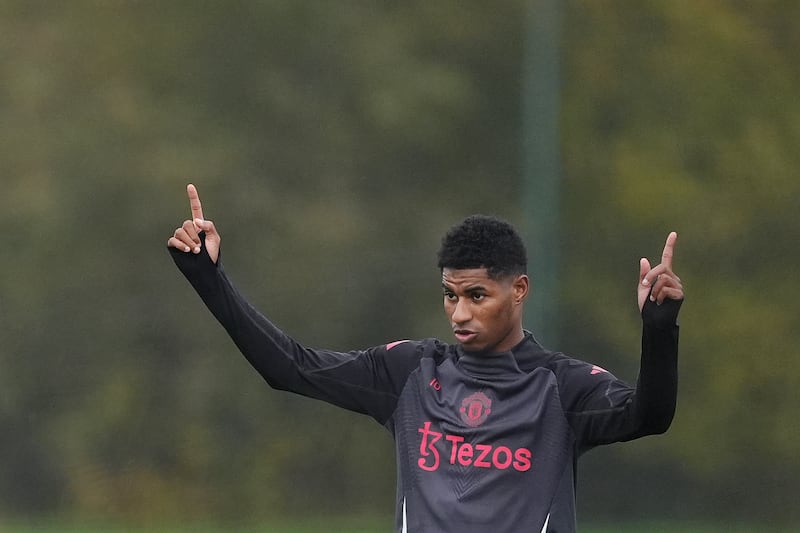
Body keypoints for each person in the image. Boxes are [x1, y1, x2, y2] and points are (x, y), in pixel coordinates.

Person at [167, 183, 684, 533]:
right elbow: (291, 368)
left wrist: (659, 332)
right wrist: (209, 280)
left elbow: (649, 416)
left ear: (519, 289)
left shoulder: (562, 387)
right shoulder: (410, 372)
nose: (459, 312)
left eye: (476, 295)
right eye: (449, 294)